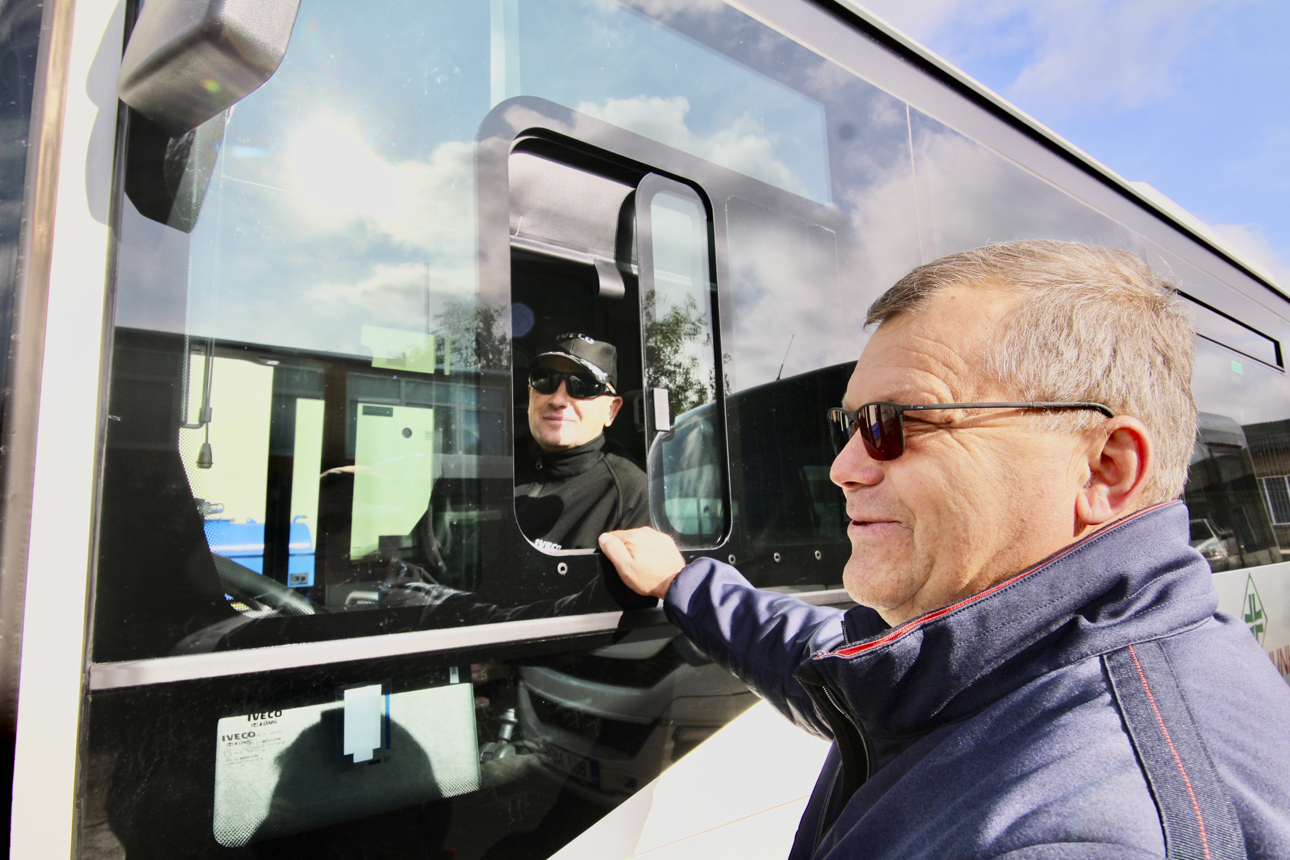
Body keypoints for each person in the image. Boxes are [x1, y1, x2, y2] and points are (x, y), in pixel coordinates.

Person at [598, 240, 1290, 859]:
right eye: (850, 425)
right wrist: (683, 585)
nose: (843, 468)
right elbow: (847, 671)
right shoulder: (1023, 659)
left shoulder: (1080, 829)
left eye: (895, 424)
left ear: (1105, 467)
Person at [515, 332, 649, 551]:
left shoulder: (630, 497)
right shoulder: (491, 469)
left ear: (611, 411)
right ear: (530, 393)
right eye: (545, 379)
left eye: (583, 386)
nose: (558, 399)